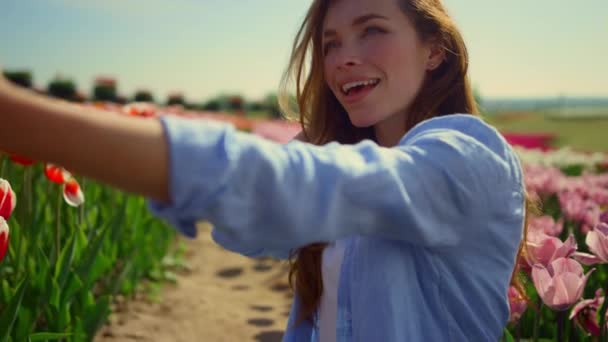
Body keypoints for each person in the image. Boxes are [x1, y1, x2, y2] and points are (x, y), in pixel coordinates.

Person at [0, 0, 528, 340]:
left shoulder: (467, 158)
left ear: (434, 49)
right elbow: (259, 229)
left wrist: (22, 121)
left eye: (371, 31)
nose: (343, 58)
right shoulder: (346, 159)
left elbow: (287, 187)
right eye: (331, 43)